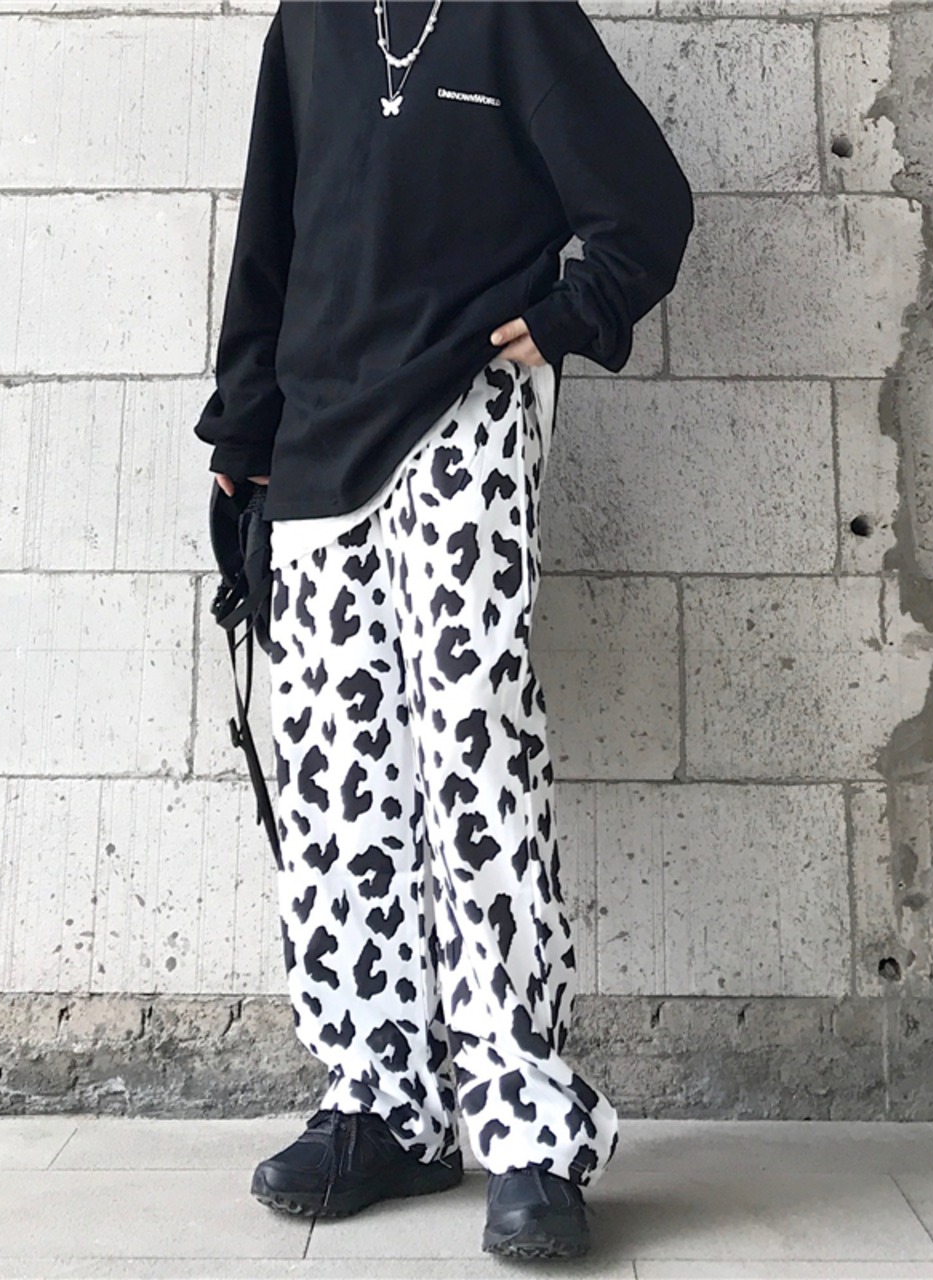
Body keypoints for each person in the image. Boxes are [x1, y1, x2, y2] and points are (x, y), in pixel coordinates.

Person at [194, 0, 693, 1260]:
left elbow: (643, 202)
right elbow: (268, 237)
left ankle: (527, 1129)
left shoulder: (512, 15)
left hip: (464, 415)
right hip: (316, 439)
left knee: (475, 758)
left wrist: (573, 312)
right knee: (335, 781)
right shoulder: (307, 24)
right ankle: (381, 1105)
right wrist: (242, 430)